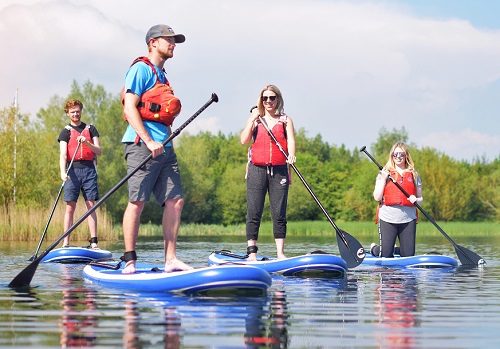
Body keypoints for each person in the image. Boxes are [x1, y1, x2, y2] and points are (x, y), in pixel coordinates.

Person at [120, 24, 191, 274]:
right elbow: (130, 109)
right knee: (137, 201)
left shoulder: (163, 77)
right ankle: (130, 260)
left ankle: (170, 259)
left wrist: (163, 140)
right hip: (141, 145)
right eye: (168, 40)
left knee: (176, 200)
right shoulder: (140, 69)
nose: (173, 44)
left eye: (174, 41)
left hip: (165, 147)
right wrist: (149, 140)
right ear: (152, 43)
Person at [240, 84, 296, 261]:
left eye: (272, 98)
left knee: (279, 212)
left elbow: (292, 141)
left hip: (279, 170)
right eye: (265, 98)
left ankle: (280, 253)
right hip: (257, 170)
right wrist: (251, 120)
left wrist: (292, 156)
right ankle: (252, 253)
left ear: (278, 99)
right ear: (261, 101)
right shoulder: (256, 119)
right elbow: (244, 140)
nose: (269, 101)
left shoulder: (286, 120)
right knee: (254, 211)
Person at [58, 99, 101, 248]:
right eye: (72, 112)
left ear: (81, 111)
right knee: (70, 207)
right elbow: (63, 155)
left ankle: (94, 242)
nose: (75, 114)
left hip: (89, 169)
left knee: (91, 205)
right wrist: (63, 173)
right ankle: (66, 242)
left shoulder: (91, 129)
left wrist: (87, 143)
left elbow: (99, 151)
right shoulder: (65, 132)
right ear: (68, 113)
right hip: (72, 170)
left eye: (77, 111)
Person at [370, 142, 423, 258]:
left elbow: (421, 199)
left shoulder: (414, 175)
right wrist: (383, 179)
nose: (398, 157)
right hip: (388, 218)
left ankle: (397, 249)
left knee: (409, 255)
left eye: (401, 154)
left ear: (406, 156)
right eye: (395, 154)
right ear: (392, 156)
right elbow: (377, 197)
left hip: (408, 219)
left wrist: (416, 199)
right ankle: (375, 249)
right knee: (385, 254)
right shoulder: (383, 173)